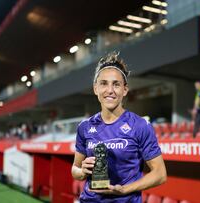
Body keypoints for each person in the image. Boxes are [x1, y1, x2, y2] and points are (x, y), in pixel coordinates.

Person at [71, 52, 167, 202]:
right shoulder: (84, 127)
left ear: (125, 90)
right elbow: (75, 169)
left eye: (116, 84)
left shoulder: (140, 126)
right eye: (104, 83)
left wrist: (124, 190)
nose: (110, 90)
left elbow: (160, 174)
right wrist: (82, 171)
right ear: (95, 88)